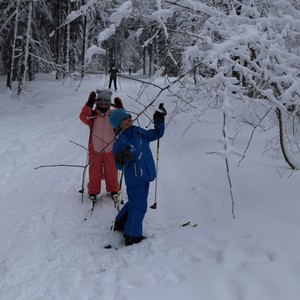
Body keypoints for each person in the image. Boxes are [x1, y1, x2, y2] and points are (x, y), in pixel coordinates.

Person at [109, 104, 167, 246]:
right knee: (139, 206)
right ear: (118, 125)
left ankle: (120, 222)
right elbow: (118, 164)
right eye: (125, 119)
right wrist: (122, 158)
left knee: (136, 202)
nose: (129, 119)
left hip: (145, 175)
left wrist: (159, 121)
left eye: (129, 117)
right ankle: (132, 235)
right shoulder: (120, 141)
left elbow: (156, 134)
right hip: (135, 179)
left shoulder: (138, 132)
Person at [79, 89, 119, 201]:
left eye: (106, 103)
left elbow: (124, 121)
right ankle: (93, 191)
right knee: (94, 171)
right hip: (95, 148)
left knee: (111, 170)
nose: (103, 105)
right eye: (101, 103)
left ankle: (113, 189)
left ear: (109, 104)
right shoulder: (93, 115)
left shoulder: (113, 115)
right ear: (97, 103)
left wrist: (121, 108)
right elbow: (82, 117)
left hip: (110, 148)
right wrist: (88, 104)